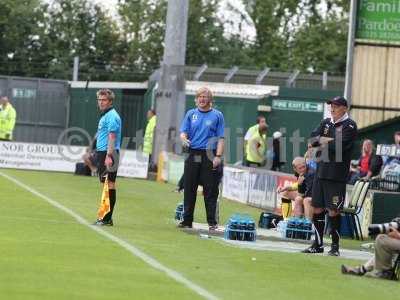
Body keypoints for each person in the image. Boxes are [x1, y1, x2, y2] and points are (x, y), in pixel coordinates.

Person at [302, 96, 357, 256]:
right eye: (331, 106)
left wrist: (322, 141)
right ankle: (317, 244)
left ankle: (335, 247)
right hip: (321, 171)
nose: (332, 108)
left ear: (344, 108)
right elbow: (312, 138)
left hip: (336, 175)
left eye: (336, 106)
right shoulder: (326, 122)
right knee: (317, 207)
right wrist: (325, 140)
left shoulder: (350, 126)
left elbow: (340, 146)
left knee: (333, 210)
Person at [179, 87, 224, 230]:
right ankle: (187, 221)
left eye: (205, 97)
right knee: (189, 187)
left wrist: (218, 156)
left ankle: (212, 222)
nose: (202, 99)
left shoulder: (217, 115)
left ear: (210, 100)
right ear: (196, 99)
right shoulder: (191, 114)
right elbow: (183, 132)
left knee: (210, 190)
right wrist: (184, 139)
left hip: (209, 154)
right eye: (199, 96)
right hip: (193, 153)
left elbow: (221, 138)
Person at [93, 89, 122, 226]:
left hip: (109, 153)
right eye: (99, 99)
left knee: (109, 184)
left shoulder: (112, 116)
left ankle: (106, 218)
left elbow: (112, 136)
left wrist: (109, 155)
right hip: (103, 152)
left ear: (110, 101)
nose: (101, 102)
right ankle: (105, 216)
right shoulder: (105, 115)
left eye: (104, 100)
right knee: (105, 184)